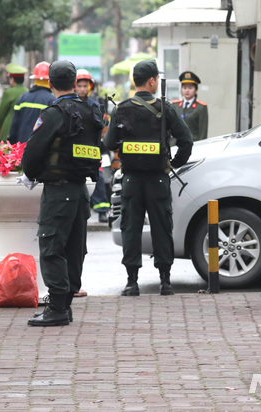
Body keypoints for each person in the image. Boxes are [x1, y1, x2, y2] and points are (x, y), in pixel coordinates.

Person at [19, 60, 103, 326]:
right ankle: (64, 305)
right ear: (75, 81)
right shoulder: (90, 109)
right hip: (81, 190)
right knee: (75, 248)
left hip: (58, 190)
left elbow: (33, 151)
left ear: (51, 84)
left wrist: (30, 173)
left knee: (52, 246)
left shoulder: (54, 113)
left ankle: (56, 308)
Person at [103, 60, 193, 296]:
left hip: (131, 180)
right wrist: (173, 164)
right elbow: (187, 142)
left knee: (130, 229)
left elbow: (109, 143)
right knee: (162, 228)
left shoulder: (121, 108)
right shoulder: (166, 108)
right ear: (152, 81)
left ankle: (132, 282)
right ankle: (165, 282)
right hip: (158, 180)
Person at [76, 69, 110, 226]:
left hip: (91, 148)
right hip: (75, 148)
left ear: (90, 86)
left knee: (99, 177)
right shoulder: (70, 103)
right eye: (80, 85)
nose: (82, 89)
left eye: (85, 85)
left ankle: (102, 210)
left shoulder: (95, 105)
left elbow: (102, 125)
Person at [8, 61, 55, 144]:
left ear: (34, 79)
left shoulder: (23, 97)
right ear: (50, 80)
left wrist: (12, 143)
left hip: (21, 146)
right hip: (40, 148)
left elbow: (14, 124)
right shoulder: (52, 100)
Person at [171, 71, 208, 141]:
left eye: (190, 88)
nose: (187, 90)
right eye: (184, 88)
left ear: (195, 89)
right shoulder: (175, 106)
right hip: (176, 145)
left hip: (193, 144)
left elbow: (203, 132)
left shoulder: (201, 107)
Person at [0, 63, 28, 141]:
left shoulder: (8, 92)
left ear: (12, 79)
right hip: (23, 132)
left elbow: (1, 115)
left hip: (8, 131)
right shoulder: (27, 92)